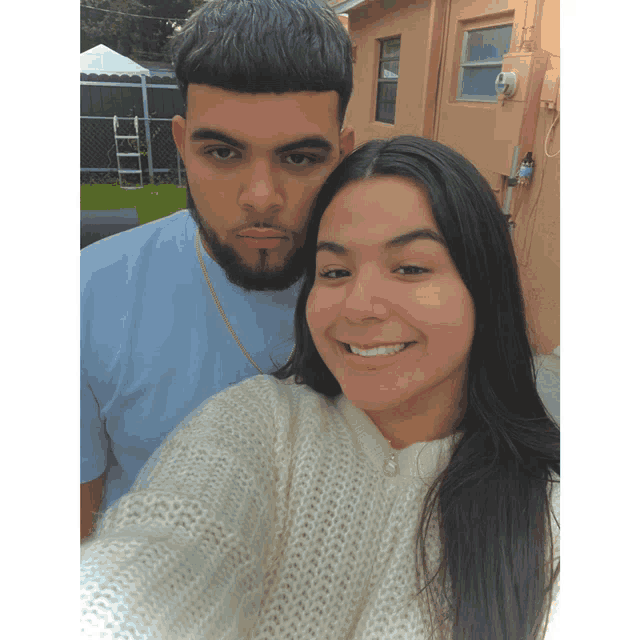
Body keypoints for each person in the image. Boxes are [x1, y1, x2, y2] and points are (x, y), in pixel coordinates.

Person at [81, 136, 560, 639]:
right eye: (334, 271)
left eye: (411, 268)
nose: (359, 305)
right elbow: (164, 552)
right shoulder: (261, 426)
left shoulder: (552, 510)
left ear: (483, 285)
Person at [80, 0, 355, 539]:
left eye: (299, 158)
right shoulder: (84, 297)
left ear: (341, 155)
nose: (260, 198)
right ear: (182, 144)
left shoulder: (394, 303)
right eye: (223, 153)